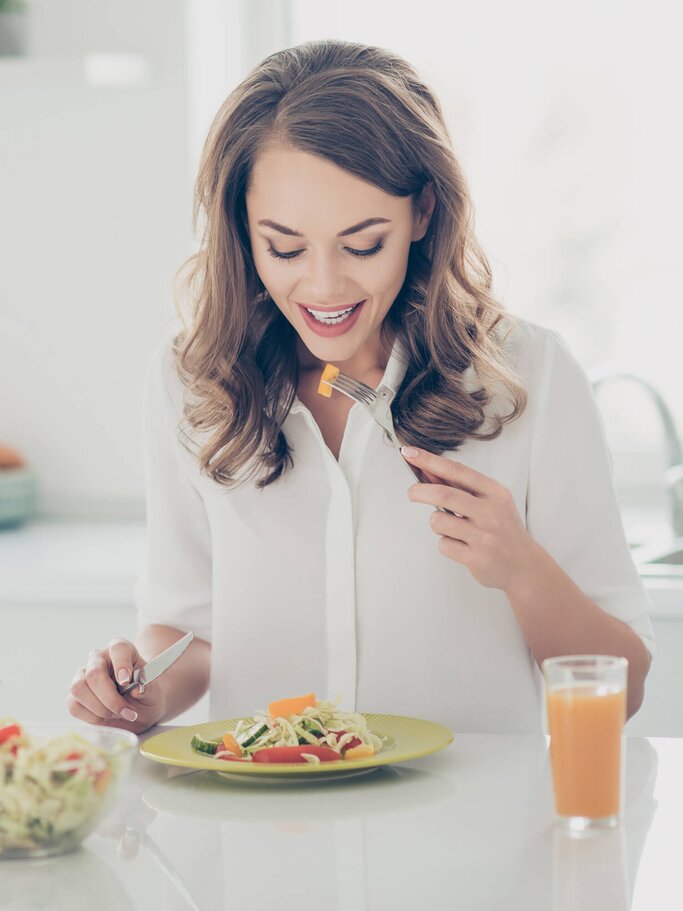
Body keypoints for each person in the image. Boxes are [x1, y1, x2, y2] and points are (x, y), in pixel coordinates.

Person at [67, 39, 654, 735]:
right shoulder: (190, 381)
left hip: (477, 834)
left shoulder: (531, 377)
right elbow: (189, 629)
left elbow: (621, 690)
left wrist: (520, 568)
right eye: (283, 246)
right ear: (240, 229)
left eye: (363, 243)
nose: (322, 286)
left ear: (423, 213)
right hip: (264, 828)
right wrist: (144, 691)